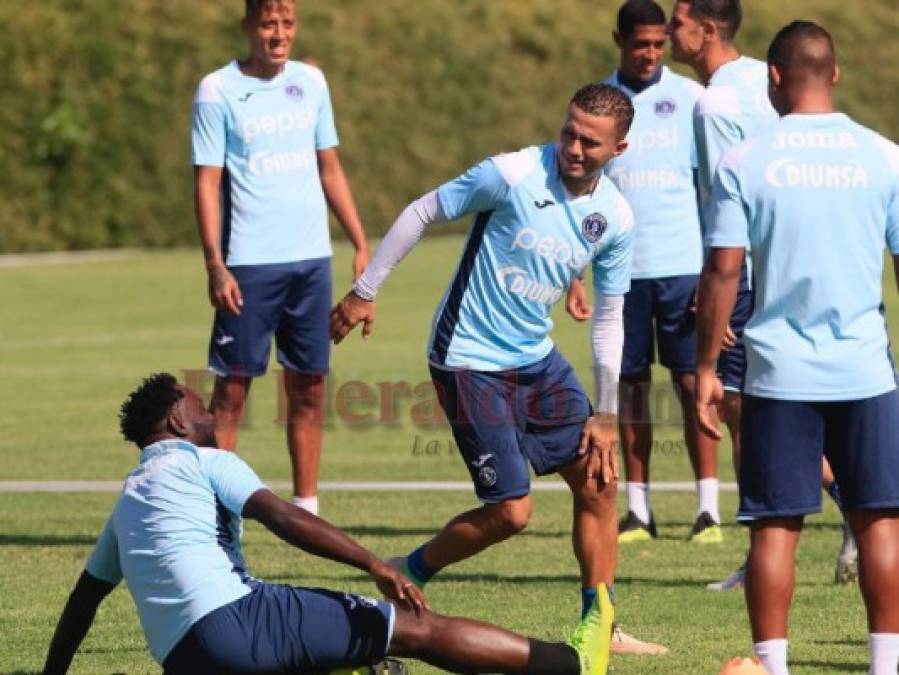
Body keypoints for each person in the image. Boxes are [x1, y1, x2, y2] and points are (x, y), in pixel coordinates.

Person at [331, 82, 646, 671]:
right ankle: (406, 572)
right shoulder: (513, 173)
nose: (573, 148)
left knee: (601, 483)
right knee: (512, 512)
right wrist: (364, 290)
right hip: (468, 357)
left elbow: (610, 315)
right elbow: (424, 209)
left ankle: (600, 625)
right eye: (569, 132)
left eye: (590, 142)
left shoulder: (617, 218)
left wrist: (606, 413)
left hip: (535, 359)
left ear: (618, 149)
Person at [42, 374, 612, 675]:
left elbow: (82, 602)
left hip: (184, 660)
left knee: (319, 645)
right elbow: (284, 517)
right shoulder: (203, 460)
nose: (212, 415)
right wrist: (372, 564)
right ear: (176, 419)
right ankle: (573, 663)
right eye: (200, 407)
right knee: (414, 629)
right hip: (238, 621)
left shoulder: (127, 502)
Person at [695, 21, 899, 675]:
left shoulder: (743, 160)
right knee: (877, 523)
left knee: (773, 528)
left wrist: (703, 366)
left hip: (777, 373)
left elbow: (723, 270)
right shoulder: (884, 156)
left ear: (772, 78)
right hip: (865, 368)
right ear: (833, 75)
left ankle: (772, 668)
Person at [667, 0, 856, 592]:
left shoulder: (713, 103)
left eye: (677, 21)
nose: (671, 31)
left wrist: (718, 289)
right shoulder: (759, 76)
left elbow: (728, 202)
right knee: (755, 412)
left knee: (749, 415)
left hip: (745, 272)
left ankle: (827, 521)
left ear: (707, 30)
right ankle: (815, 523)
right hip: (792, 262)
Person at [192, 0, 370, 516]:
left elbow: (330, 167)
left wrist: (359, 242)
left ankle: (307, 507)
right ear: (248, 25)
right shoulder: (217, 89)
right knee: (232, 391)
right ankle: (217, 509)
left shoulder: (311, 83)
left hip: (311, 261)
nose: (278, 33)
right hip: (248, 263)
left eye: (287, 23)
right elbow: (207, 181)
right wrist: (215, 263)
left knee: (310, 385)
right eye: (268, 23)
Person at [567, 0, 718, 548]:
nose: (651, 54)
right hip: (620, 273)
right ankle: (639, 509)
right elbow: (582, 194)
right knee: (629, 391)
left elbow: (711, 191)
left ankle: (708, 509)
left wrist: (712, 271)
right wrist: (574, 270)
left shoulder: (692, 99)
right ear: (619, 40)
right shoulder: (599, 106)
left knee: (690, 385)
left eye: (659, 43)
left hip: (683, 268)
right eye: (641, 45)